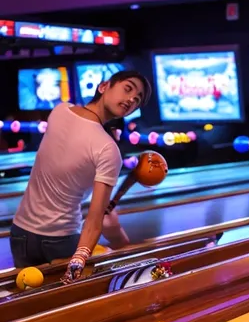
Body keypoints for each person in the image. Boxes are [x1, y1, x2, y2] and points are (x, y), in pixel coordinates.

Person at [10, 70, 152, 283]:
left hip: (19, 234)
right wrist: (79, 259)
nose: (131, 99)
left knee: (29, 304)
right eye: (128, 88)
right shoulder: (108, 149)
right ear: (103, 86)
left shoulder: (59, 110)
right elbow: (94, 223)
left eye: (137, 100)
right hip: (61, 240)